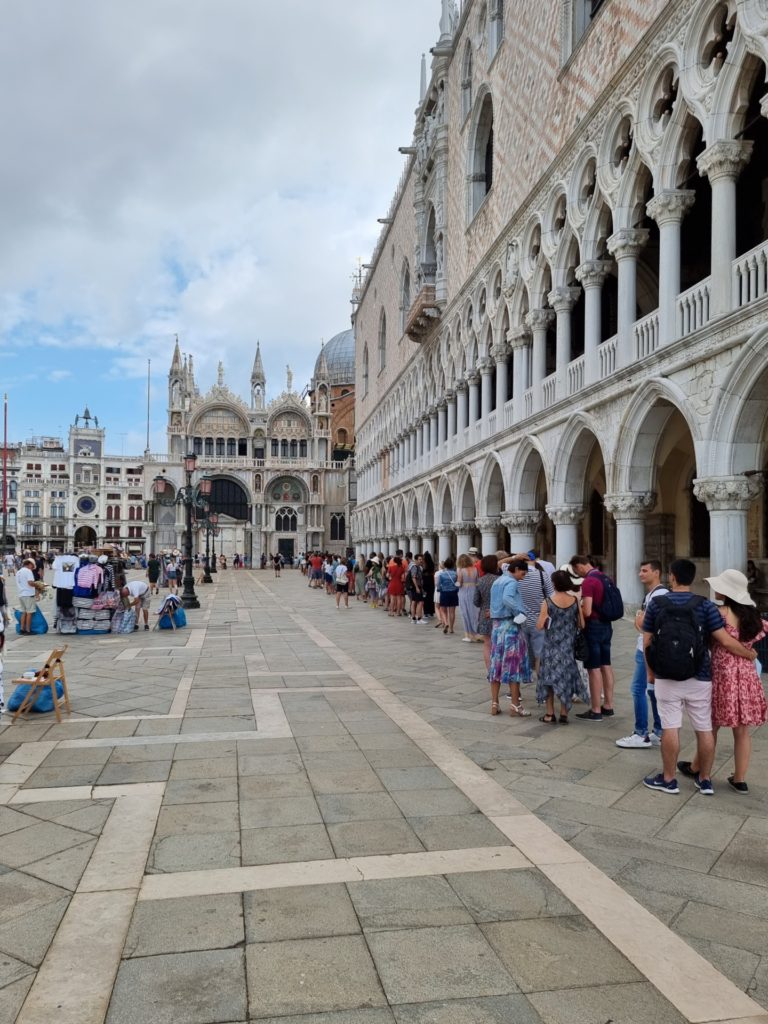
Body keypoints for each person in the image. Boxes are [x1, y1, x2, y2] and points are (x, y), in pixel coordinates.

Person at [641, 558, 758, 796]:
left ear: (671, 576)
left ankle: (669, 779)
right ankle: (705, 780)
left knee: (670, 726)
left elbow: (647, 642)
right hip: (700, 674)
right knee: (704, 728)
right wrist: (748, 654)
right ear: (691, 578)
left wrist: (651, 673)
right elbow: (724, 640)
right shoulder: (705, 606)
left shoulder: (657, 604)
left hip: (666, 674)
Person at [682, 569, 767, 794]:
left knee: (711, 724)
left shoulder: (719, 613)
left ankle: (698, 768)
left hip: (722, 673)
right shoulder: (753, 615)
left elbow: (721, 641)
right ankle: (739, 779)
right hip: (747, 675)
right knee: (742, 730)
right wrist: (749, 654)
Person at [616, 560, 666, 749]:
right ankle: (659, 731)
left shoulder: (657, 596)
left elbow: (643, 626)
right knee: (653, 690)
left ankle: (640, 733)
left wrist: (638, 619)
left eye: (645, 571)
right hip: (651, 646)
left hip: (646, 648)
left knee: (638, 690)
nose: (640, 574)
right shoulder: (655, 594)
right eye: (640, 570)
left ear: (656, 572)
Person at [570, 555, 616, 722]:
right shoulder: (606, 577)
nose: (578, 574)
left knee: (593, 668)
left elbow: (588, 611)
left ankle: (596, 709)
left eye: (576, 570)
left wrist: (576, 607)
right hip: (606, 625)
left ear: (580, 566)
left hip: (594, 627)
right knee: (606, 665)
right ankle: (609, 705)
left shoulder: (589, 581)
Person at [535, 569, 584, 723]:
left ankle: (550, 713)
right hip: (568, 647)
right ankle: (564, 713)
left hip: (551, 647)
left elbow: (539, 625)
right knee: (565, 678)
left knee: (548, 679)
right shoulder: (575, 601)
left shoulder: (548, 601)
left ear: (554, 583)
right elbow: (582, 624)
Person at [488, 558, 531, 716]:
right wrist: (519, 611)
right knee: (513, 664)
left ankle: (494, 703)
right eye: (523, 573)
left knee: (496, 664)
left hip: (497, 627)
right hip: (510, 626)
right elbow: (507, 599)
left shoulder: (498, 580)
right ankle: (515, 705)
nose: (523, 576)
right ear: (516, 569)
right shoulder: (512, 582)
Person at [518, 553, 554, 676]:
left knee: (523, 653)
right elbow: (550, 596)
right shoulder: (542, 576)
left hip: (520, 620)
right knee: (540, 654)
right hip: (539, 620)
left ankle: (524, 678)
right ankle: (541, 682)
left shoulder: (516, 577)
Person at [474, 553, 499, 672]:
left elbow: (476, 601)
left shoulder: (480, 581)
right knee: (498, 644)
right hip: (499, 615)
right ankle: (499, 668)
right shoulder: (500, 580)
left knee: (487, 644)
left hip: (484, 615)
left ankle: (490, 670)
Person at [456, 553, 481, 641]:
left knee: (465, 613)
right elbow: (478, 581)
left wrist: (455, 583)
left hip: (464, 592)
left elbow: (459, 583)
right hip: (473, 591)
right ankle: (477, 633)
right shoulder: (475, 569)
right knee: (474, 613)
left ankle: (468, 635)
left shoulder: (461, 570)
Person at [436, 556, 458, 634]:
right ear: (453, 565)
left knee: (443, 610)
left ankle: (446, 623)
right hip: (453, 593)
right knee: (452, 612)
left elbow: (438, 584)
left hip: (444, 592)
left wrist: (439, 589)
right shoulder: (455, 574)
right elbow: (457, 583)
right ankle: (451, 628)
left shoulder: (442, 574)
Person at [16, 557, 38, 635]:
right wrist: (38, 585)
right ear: (29, 564)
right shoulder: (28, 571)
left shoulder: (18, 572)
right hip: (28, 594)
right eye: (32, 566)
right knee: (29, 612)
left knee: (23, 612)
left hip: (21, 594)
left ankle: (22, 629)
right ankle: (28, 630)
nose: (32, 568)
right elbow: (30, 583)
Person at [406, 553, 426, 622]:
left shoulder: (417, 567)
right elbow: (413, 577)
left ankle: (413, 617)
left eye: (422, 559)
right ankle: (419, 618)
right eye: (419, 559)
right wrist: (417, 587)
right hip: (416, 587)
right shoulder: (415, 567)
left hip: (414, 587)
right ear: (416, 560)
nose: (421, 561)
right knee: (420, 602)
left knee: (414, 602)